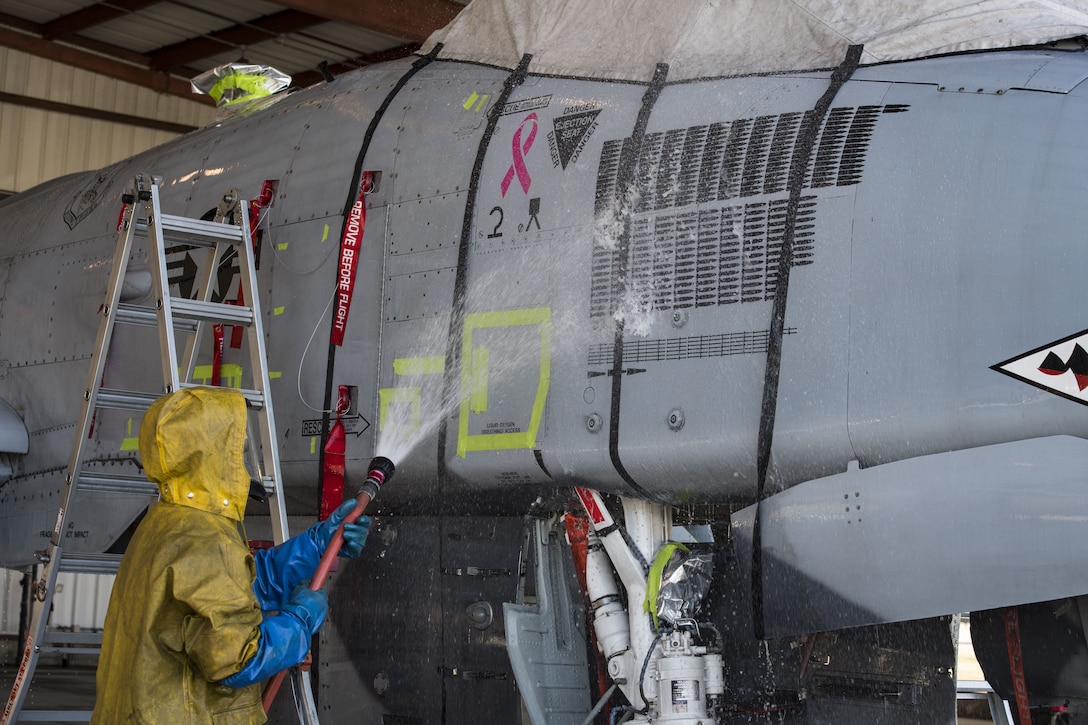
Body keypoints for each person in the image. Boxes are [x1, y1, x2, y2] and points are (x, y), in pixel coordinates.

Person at [91, 386, 370, 724]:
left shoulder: (170, 522)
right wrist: (299, 622)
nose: (243, 460)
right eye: (235, 447)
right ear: (209, 454)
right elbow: (238, 660)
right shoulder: (205, 539)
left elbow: (237, 585)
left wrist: (317, 544)